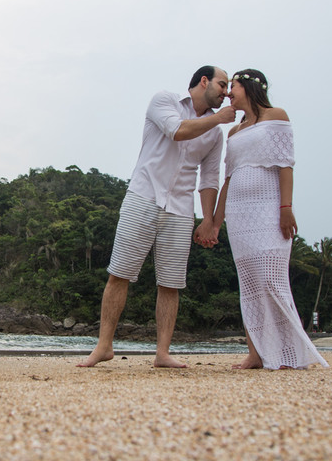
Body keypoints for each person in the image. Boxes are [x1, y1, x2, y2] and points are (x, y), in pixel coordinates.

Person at [79, 66, 236, 368]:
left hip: (180, 209)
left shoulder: (215, 135)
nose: (227, 92)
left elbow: (209, 178)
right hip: (143, 196)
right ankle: (103, 346)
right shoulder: (165, 100)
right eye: (222, 84)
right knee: (119, 273)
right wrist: (218, 118)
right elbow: (176, 131)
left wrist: (207, 220)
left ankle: (162, 353)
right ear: (204, 81)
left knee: (171, 283)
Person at [207, 69, 328, 370]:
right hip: (238, 213)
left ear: (247, 87)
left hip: (269, 209)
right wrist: (214, 222)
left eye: (232, 87)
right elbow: (228, 180)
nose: (228, 94)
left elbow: (285, 165)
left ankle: (289, 354)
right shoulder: (233, 132)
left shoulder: (277, 115)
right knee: (249, 284)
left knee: (272, 279)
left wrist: (286, 207)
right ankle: (256, 354)